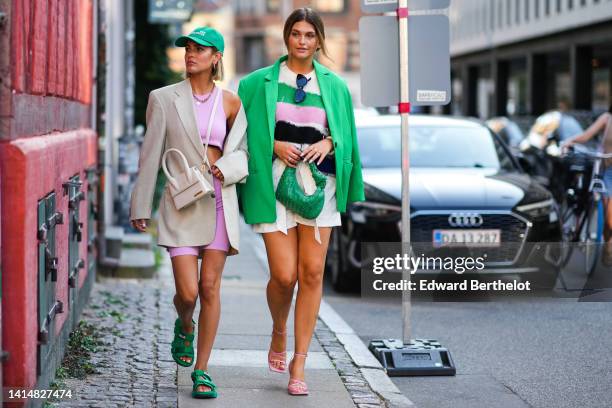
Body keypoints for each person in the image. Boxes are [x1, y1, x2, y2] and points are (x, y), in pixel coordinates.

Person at [237, 8, 364, 396]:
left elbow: (347, 137)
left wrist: (329, 141)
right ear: (286, 37)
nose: (303, 40)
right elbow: (241, 135)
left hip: (318, 188)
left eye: (310, 34)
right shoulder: (258, 83)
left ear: (320, 40)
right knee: (284, 275)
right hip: (274, 184)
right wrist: (274, 144)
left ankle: (300, 362)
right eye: (297, 33)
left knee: (311, 274)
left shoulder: (336, 87)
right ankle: (279, 331)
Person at [129, 27, 247, 399]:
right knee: (189, 292)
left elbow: (242, 153)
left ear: (216, 58)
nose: (190, 54)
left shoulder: (231, 103)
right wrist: (141, 204)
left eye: (200, 50)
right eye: (188, 49)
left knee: (210, 287)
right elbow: (150, 154)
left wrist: (224, 170)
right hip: (181, 203)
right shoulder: (163, 99)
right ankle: (184, 324)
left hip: (217, 201)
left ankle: (202, 369)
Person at [562, 105, 612, 263]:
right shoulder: (607, 118)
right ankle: (607, 244)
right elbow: (587, 135)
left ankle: (608, 245)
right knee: (609, 218)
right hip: (607, 172)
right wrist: (570, 141)